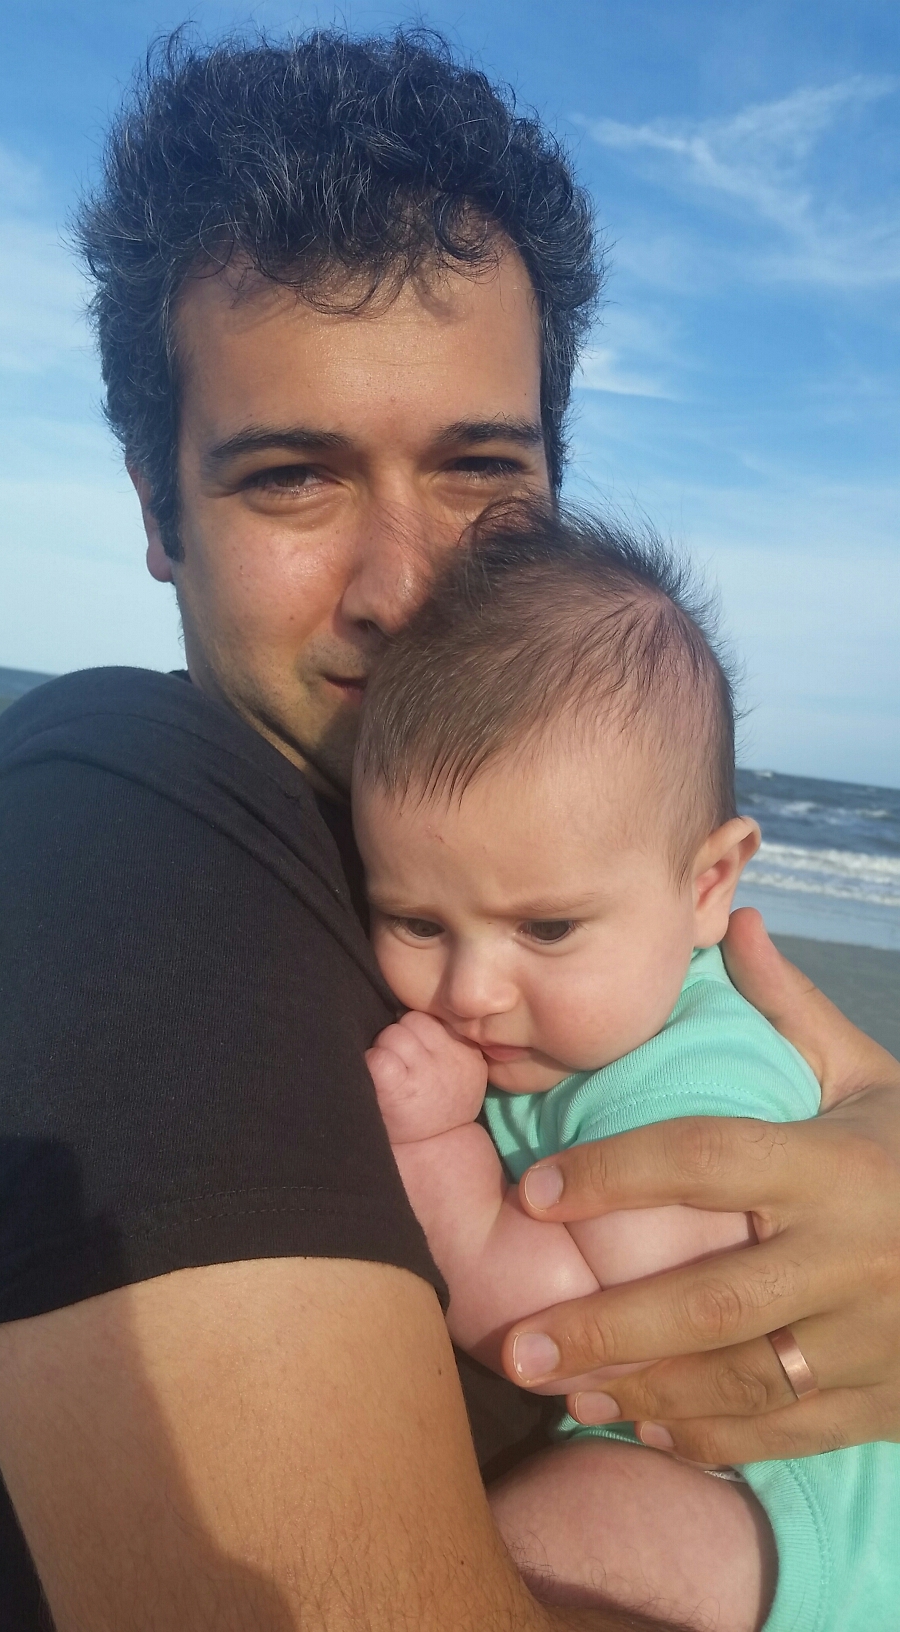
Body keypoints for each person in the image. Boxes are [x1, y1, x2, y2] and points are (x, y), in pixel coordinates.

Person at [0, 28, 897, 1632]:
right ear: (155, 512)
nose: (405, 588)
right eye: (293, 477)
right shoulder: (109, 818)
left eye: (480, 471)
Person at [356, 506, 897, 1632]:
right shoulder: (585, 1025)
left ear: (708, 886)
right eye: (415, 921)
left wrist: (437, 1154)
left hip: (785, 1506)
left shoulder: (689, 1081)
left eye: (547, 928)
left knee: (542, 1537)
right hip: (736, 1483)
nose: (471, 989)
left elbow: (582, 1340)